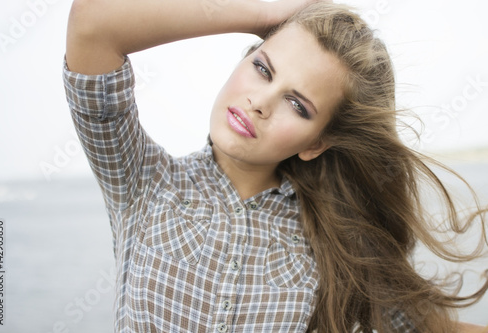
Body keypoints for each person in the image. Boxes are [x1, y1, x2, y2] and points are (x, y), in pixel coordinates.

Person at [63, 0, 488, 331]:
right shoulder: (142, 180)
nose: (261, 103)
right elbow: (92, 23)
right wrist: (267, 14)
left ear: (316, 142)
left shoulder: (337, 242)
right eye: (263, 69)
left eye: (297, 104)